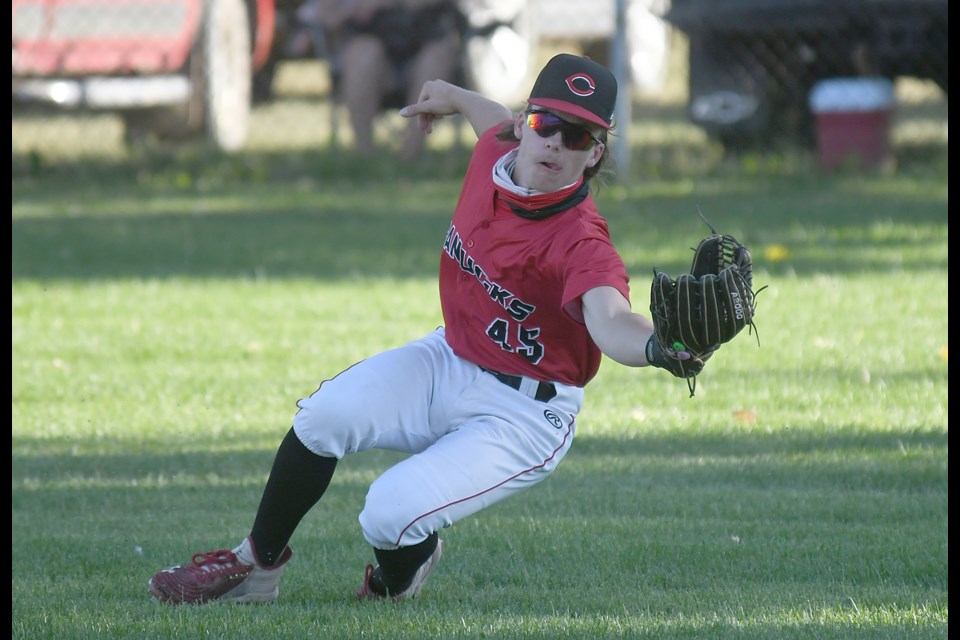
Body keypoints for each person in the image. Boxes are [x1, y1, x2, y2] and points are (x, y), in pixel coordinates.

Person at [147, 53, 703, 605]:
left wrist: (657, 345)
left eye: (578, 136)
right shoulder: (495, 150)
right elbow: (486, 115)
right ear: (522, 124)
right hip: (450, 357)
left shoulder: (582, 241)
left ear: (596, 153)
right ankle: (255, 569)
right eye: (545, 123)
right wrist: (453, 94)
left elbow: (610, 321)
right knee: (324, 416)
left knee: (387, 512)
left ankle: (395, 582)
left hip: (525, 413)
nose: (555, 142)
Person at [313, 0, 463, 159]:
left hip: (423, 43)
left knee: (436, 57)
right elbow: (327, 16)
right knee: (363, 55)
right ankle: (364, 157)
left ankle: (411, 156)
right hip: (370, 46)